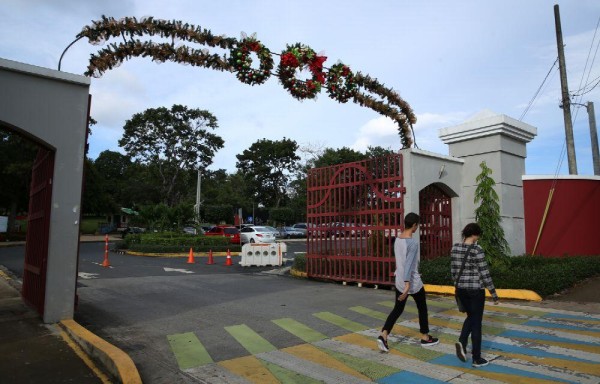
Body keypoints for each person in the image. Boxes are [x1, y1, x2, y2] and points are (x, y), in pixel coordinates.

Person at [377, 212, 439, 353]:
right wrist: (407, 285)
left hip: (399, 279)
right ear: (414, 225)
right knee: (422, 308)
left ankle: (384, 334)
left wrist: (403, 283)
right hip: (412, 282)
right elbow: (410, 264)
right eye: (418, 225)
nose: (417, 227)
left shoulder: (398, 239)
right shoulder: (412, 243)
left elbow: (401, 262)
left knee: (397, 309)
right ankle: (425, 337)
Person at [451, 222, 499, 368]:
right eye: (478, 236)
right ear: (475, 234)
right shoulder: (477, 249)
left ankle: (462, 342)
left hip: (461, 289)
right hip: (475, 290)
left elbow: (453, 270)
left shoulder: (455, 247)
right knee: (476, 322)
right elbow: (484, 273)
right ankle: (477, 358)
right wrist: (493, 292)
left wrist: (457, 285)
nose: (478, 239)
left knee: (471, 317)